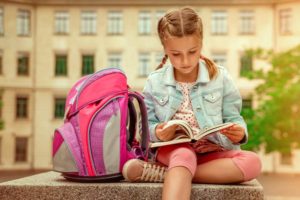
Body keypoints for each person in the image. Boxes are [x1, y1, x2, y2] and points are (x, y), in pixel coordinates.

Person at [122, 6, 262, 200]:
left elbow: (233, 119)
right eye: (176, 54)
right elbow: (146, 129)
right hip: (172, 151)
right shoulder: (155, 81)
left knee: (252, 162)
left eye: (192, 52)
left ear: (201, 44)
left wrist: (237, 134)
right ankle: (177, 169)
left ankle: (166, 174)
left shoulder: (220, 78)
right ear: (165, 49)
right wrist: (159, 132)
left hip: (209, 152)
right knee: (184, 155)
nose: (185, 61)